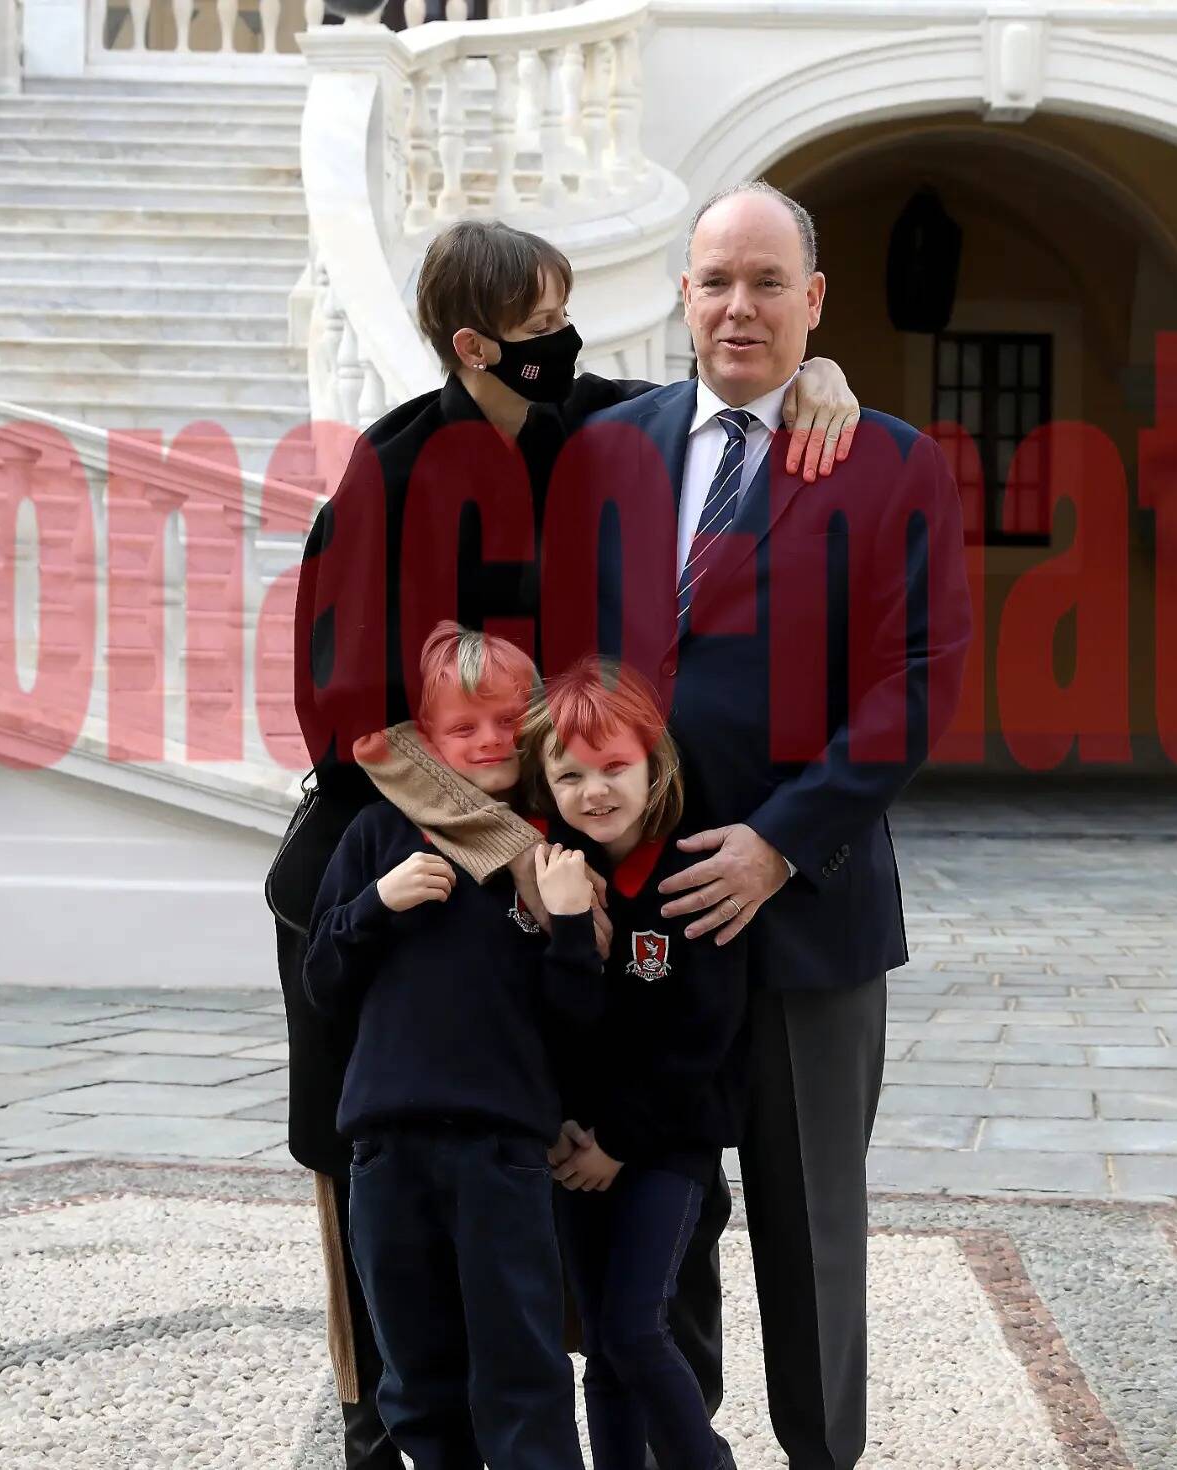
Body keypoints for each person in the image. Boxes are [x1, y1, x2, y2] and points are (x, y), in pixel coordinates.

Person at [269, 218, 864, 1466]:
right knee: (385, 1172)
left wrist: (820, 377)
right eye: (542, 326)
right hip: (412, 874)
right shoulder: (383, 482)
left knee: (638, 1143)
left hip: (591, 860)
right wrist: (517, 868)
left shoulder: (606, 429)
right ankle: (389, 1434)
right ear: (477, 343)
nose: (567, 343)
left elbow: (737, 396)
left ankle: (653, 1429)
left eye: (566, 316)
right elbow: (360, 726)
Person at [573, 181, 974, 1470]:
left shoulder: (889, 461)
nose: (735, 306)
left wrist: (779, 841)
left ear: (813, 302)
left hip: (807, 917)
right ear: (679, 297)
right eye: (712, 281)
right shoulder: (605, 452)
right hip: (640, 918)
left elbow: (919, 677)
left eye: (764, 283)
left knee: (810, 1235)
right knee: (650, 1222)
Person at [302, 621, 601, 1470]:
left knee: (522, 1374)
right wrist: (375, 906)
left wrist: (573, 926)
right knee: (417, 1380)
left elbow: (577, 1020)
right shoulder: (375, 836)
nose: (488, 742)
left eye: (507, 721)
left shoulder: (548, 855)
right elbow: (321, 983)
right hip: (387, 1154)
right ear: (428, 739)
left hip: (502, 1154)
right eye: (464, 727)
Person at [524, 657, 747, 1470]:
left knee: (633, 1326)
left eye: (615, 767)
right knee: (600, 1352)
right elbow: (562, 1024)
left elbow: (703, 1038)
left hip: (664, 1147)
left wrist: (617, 1140)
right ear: (545, 783)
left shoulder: (693, 877)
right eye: (571, 773)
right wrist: (572, 928)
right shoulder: (556, 880)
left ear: (654, 764)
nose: (595, 790)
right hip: (576, 1150)